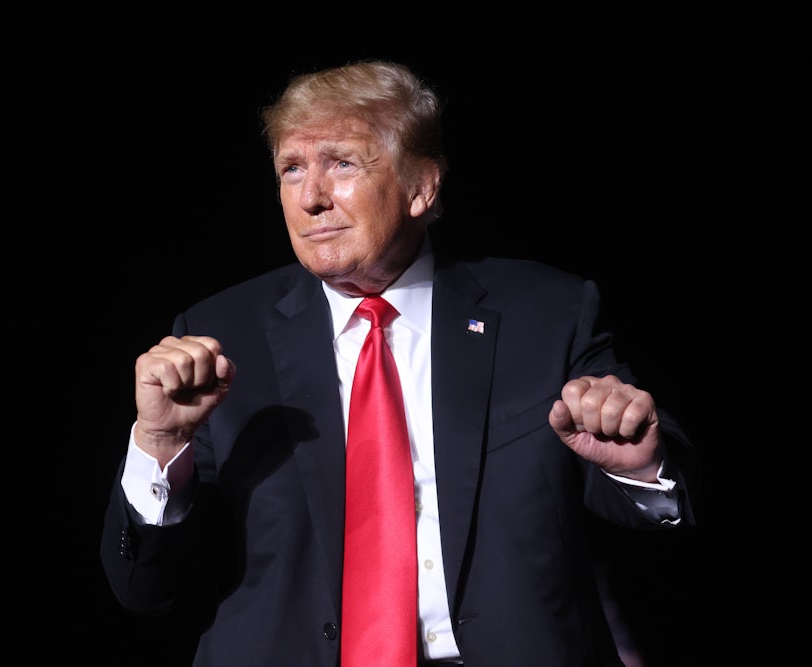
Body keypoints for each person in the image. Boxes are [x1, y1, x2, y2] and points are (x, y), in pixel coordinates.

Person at [100, 59, 698, 666]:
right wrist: (159, 443)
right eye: (291, 168)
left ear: (421, 188)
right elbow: (147, 589)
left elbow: (666, 521)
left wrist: (638, 467)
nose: (310, 198)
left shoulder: (546, 313)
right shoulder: (222, 337)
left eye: (341, 164)